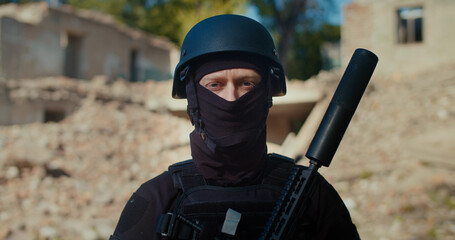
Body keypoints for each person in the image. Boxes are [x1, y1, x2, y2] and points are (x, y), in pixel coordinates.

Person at [109, 14, 360, 240]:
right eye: (215, 85)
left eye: (247, 83)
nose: (231, 99)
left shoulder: (312, 196)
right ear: (194, 98)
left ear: (266, 94)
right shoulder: (155, 198)